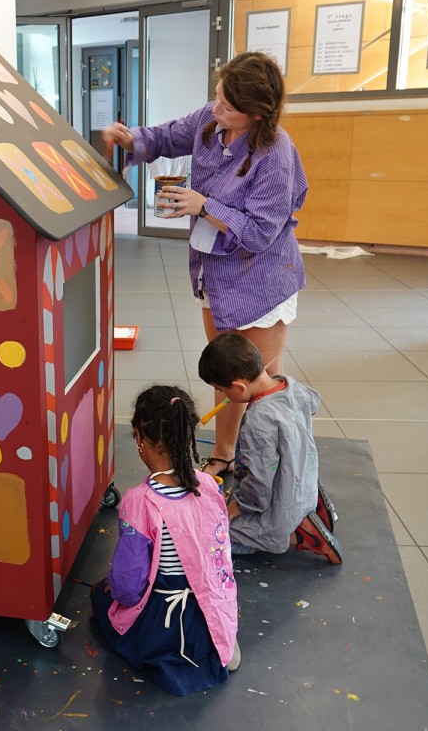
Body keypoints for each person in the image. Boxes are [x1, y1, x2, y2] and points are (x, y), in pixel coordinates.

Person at [102, 51, 308, 474]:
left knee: (245, 379)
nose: (216, 108)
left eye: (228, 106)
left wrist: (203, 205)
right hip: (216, 272)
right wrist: (129, 139)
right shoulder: (211, 120)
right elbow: (162, 137)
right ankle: (258, 451)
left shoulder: (276, 152)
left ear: (255, 114)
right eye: (216, 96)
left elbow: (260, 232)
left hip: (260, 277)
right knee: (244, 372)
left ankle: (243, 456)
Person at [91, 385, 239, 695]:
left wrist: (114, 589)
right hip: (207, 598)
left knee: (101, 597)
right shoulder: (209, 485)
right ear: (188, 437)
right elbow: (219, 553)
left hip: (165, 614)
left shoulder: (139, 501)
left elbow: (130, 585)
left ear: (139, 439)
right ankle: (218, 643)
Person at [197, 332, 341, 565]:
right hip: (303, 483)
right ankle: (307, 512)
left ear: (239, 386)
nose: (223, 395)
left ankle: (297, 532)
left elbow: (259, 479)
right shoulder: (290, 385)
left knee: (212, 536)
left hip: (280, 506)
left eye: (222, 390)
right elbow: (314, 400)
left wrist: (241, 505)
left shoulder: (257, 421)